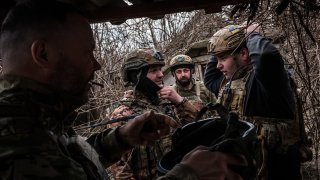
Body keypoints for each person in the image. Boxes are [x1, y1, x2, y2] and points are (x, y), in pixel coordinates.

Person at [0, 1, 252, 179]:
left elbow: (71, 161)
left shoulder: (42, 122)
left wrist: (119, 139)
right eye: (87, 53)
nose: (97, 65)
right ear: (43, 53)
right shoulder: (15, 143)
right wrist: (190, 175)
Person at [204, 23, 304, 179]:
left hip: (277, 171)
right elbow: (209, 79)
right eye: (217, 58)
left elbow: (265, 55)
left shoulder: (266, 81)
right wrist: (226, 37)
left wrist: (251, 34)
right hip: (248, 170)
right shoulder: (229, 82)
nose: (218, 65)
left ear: (244, 54)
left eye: (223, 58)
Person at [109, 48, 198, 179]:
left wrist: (180, 101)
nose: (161, 75)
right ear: (136, 76)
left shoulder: (166, 103)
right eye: (153, 71)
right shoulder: (123, 114)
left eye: (160, 69)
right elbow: (121, 171)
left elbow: (196, 128)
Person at [168, 54, 217, 121]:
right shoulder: (170, 93)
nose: (183, 75)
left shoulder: (204, 88)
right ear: (173, 74)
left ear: (192, 71)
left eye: (186, 70)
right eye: (178, 72)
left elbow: (216, 112)